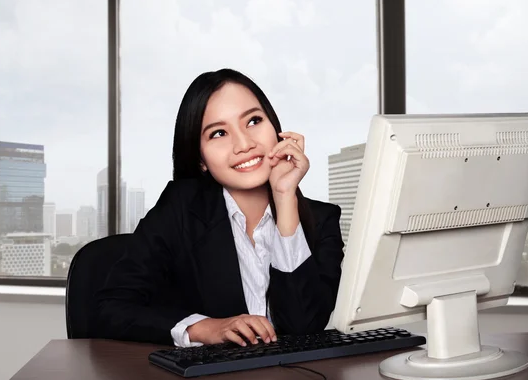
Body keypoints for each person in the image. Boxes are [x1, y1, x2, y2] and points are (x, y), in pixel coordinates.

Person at [94, 68, 344, 348]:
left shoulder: (323, 221)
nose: (244, 144)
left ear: (277, 130)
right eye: (219, 133)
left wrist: (285, 198)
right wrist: (203, 327)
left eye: (253, 121)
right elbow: (110, 309)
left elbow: (302, 325)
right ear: (200, 159)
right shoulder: (180, 208)